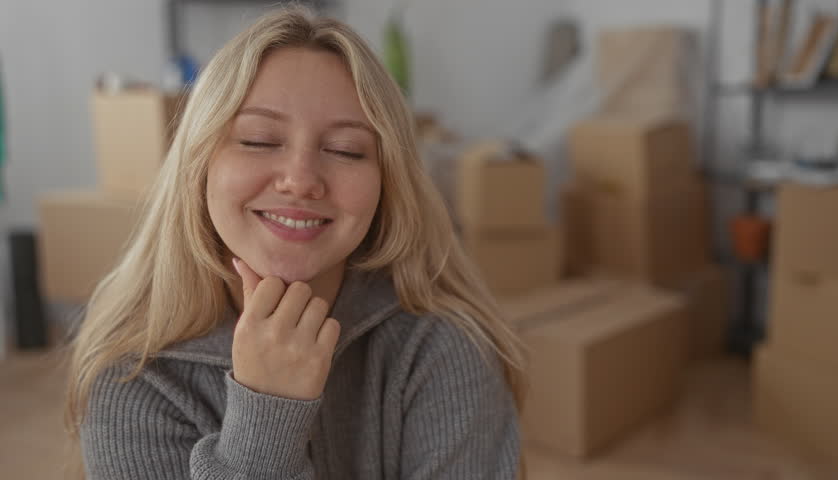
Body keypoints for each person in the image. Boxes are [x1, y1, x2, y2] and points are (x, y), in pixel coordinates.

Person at [65, 5, 526, 479]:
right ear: (199, 166)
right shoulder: (131, 374)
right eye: (260, 140)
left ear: (387, 182)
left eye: (345, 150)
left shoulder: (444, 350)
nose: (301, 180)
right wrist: (266, 423)